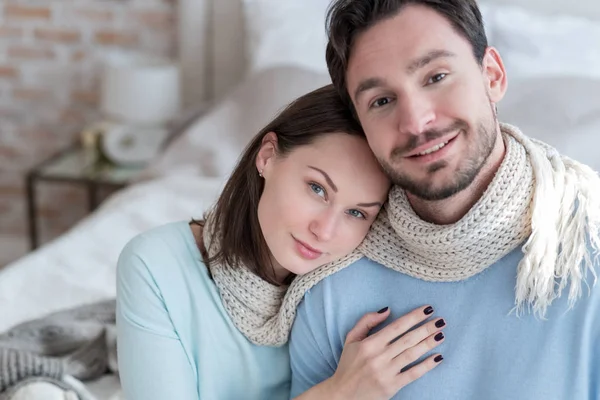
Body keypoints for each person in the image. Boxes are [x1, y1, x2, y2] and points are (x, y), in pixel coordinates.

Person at [285, 1, 600, 399]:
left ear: (492, 75)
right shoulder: (329, 284)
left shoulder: (588, 245)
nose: (416, 122)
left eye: (436, 76)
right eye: (381, 101)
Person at [116, 85, 448, 400]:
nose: (325, 231)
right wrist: (341, 392)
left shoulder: (348, 287)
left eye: (357, 213)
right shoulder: (156, 265)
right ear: (268, 156)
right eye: (317, 189)